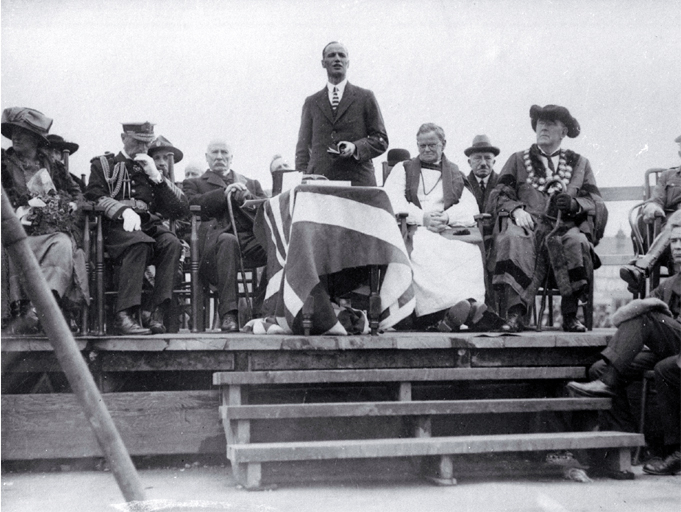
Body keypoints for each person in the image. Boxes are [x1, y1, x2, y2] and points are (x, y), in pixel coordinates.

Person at [568, 218, 681, 475]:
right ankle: (623, 446)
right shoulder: (668, 284)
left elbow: (647, 318)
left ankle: (670, 451)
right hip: (671, 349)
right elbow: (627, 317)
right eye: (673, 241)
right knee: (598, 369)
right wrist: (637, 289)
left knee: (649, 318)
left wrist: (648, 312)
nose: (677, 247)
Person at [488, 105, 607, 332]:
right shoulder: (518, 159)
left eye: (551, 123)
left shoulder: (580, 164)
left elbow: (596, 202)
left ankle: (570, 315)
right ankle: (514, 314)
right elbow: (499, 194)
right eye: (540, 122)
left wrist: (575, 204)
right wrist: (516, 210)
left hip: (564, 226)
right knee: (513, 237)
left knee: (577, 242)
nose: (543, 127)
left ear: (564, 132)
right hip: (528, 225)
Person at [84, 122, 188, 335]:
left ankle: (153, 312)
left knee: (171, 243)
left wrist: (157, 178)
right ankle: (124, 314)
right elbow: (93, 196)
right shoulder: (104, 164)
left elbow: (179, 209)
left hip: (147, 224)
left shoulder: (150, 166)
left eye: (147, 143)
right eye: (138, 142)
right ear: (124, 138)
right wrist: (121, 210)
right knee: (139, 243)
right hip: (115, 226)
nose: (143, 148)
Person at [384, 123, 489, 330]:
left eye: (432, 145)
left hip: (447, 227)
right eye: (421, 145)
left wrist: (448, 217)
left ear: (443, 144)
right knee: (426, 248)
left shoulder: (455, 172)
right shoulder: (403, 168)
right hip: (417, 226)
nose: (426, 150)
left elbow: (470, 206)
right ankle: (437, 314)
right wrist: (423, 217)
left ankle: (467, 306)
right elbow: (391, 199)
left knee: (467, 250)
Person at [1, 107, 86, 334]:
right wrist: (18, 208)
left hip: (48, 230)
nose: (16, 137)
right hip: (16, 230)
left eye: (23, 133)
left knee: (63, 243)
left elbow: (75, 192)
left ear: (36, 139)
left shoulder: (51, 164)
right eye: (13, 132)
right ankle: (22, 313)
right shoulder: (3, 162)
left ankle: (37, 310)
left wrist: (70, 204)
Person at [183, 140, 267, 332]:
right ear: (207, 157)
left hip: (249, 241)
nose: (219, 156)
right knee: (229, 241)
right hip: (215, 243)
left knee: (279, 247)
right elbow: (192, 205)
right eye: (214, 152)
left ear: (231, 157)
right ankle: (229, 314)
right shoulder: (194, 183)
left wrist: (247, 197)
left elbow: (266, 210)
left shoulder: (251, 183)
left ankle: (263, 311)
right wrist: (223, 194)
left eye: (224, 152)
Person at [295, 41, 388, 186]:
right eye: (331, 55)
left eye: (342, 55)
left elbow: (381, 139)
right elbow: (302, 147)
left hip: (357, 180)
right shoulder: (312, 102)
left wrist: (355, 147)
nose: (337, 59)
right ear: (323, 63)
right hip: (320, 181)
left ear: (348, 62)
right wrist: (303, 176)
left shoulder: (365, 97)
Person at [620, 135, 681, 293]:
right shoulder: (668, 176)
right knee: (674, 227)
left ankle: (641, 268)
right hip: (668, 232)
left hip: (671, 234)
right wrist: (653, 208)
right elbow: (655, 200)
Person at [465, 135, 500, 213]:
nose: (483, 163)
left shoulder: (502, 183)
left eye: (488, 158)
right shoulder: (462, 184)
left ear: (493, 162)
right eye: (477, 158)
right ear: (470, 162)